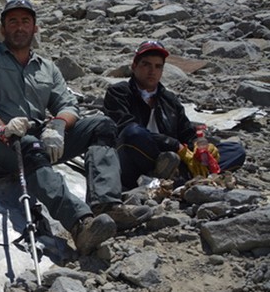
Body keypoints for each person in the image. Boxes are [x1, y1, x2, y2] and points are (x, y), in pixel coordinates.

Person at [0, 0, 152, 255]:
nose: (19, 27)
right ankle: (80, 225)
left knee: (101, 126)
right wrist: (1, 129)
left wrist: (57, 125)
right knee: (30, 147)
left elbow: (68, 104)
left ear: (35, 28)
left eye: (25, 21)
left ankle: (106, 205)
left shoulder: (47, 68)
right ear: (3, 28)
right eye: (13, 22)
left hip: (34, 136)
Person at [103, 40, 246, 189]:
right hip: (135, 158)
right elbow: (123, 128)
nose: (152, 71)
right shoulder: (119, 92)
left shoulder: (169, 99)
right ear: (134, 66)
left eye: (158, 66)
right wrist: (175, 146)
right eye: (146, 64)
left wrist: (200, 147)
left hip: (174, 159)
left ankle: (179, 176)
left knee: (235, 150)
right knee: (133, 133)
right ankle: (181, 176)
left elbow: (187, 133)